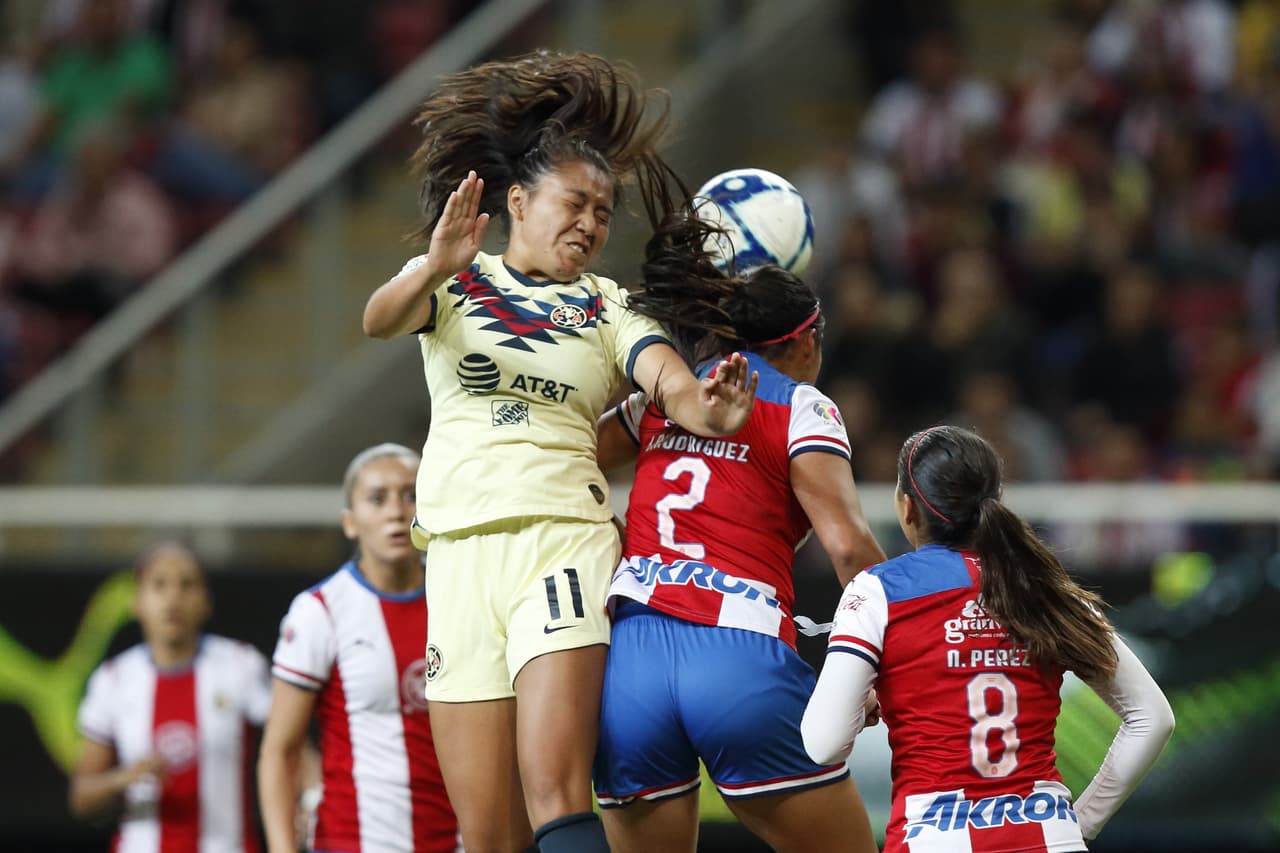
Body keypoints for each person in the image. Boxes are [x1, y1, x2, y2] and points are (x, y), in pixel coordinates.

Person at [361, 51, 757, 853]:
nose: (590, 224)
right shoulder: (454, 279)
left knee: (554, 790)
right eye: (575, 203)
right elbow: (377, 320)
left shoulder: (606, 307)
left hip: (561, 546)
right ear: (518, 200)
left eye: (603, 213)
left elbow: (670, 383)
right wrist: (434, 265)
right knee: (487, 833)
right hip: (459, 556)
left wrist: (705, 408)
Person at [590, 212, 886, 853]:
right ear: (804, 340)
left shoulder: (670, 395)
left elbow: (568, 454)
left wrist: (606, 530)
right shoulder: (803, 405)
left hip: (630, 661)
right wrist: (892, 660)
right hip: (737, 654)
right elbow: (848, 549)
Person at [801, 425, 1176, 852]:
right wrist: (1082, 821)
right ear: (994, 502)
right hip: (1049, 837)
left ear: (907, 508)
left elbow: (823, 745)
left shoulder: (878, 591)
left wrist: (862, 706)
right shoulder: (1047, 591)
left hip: (933, 839)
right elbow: (1153, 717)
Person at [257, 443, 457, 853]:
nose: (396, 511)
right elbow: (280, 751)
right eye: (377, 498)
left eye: (411, 494)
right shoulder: (321, 611)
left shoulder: (462, 596)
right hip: (353, 841)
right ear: (350, 523)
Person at [70, 541, 272, 853]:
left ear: (206, 602)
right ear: (137, 602)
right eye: (159, 585)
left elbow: (290, 750)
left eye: (187, 585)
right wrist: (124, 779)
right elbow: (82, 797)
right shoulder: (113, 679)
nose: (173, 597)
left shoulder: (240, 665)